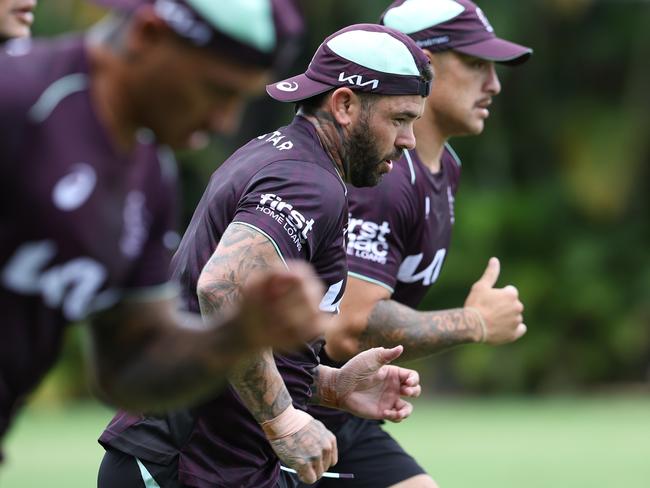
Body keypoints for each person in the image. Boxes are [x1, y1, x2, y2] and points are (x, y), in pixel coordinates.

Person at [97, 23, 433, 488]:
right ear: (345, 104)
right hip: (182, 467)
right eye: (399, 119)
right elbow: (221, 289)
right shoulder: (307, 182)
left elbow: (231, 337)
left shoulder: (285, 157)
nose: (409, 140)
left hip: (215, 467)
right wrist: (284, 422)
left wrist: (331, 386)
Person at [0, 0, 326, 453]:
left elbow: (129, 370)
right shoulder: (17, 99)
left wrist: (237, 334)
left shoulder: (150, 175)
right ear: (147, 35)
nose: (223, 121)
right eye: (216, 90)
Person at [303, 1, 533, 487]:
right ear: (420, 67)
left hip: (344, 413)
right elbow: (347, 330)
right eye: (474, 64)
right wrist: (473, 323)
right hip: (287, 410)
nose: (493, 83)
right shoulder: (382, 177)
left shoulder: (444, 167)